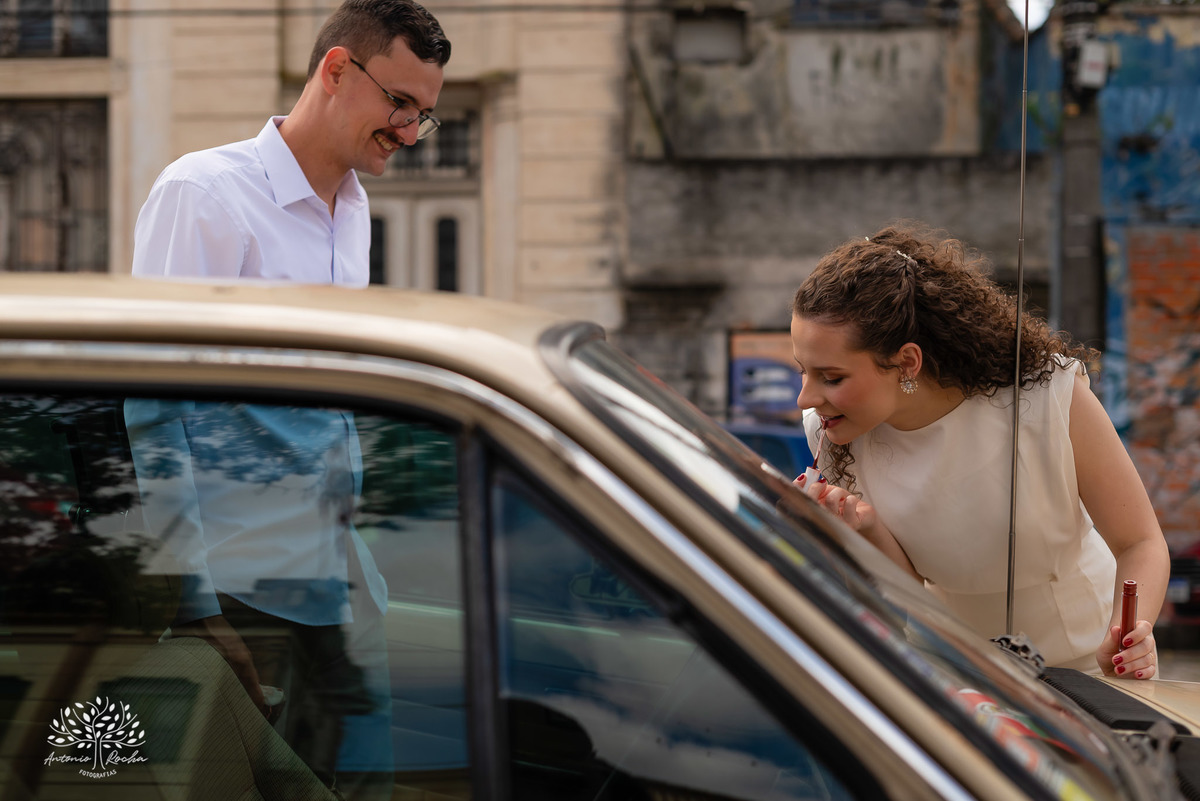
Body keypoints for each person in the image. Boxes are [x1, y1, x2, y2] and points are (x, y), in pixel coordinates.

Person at [125, 1, 452, 795]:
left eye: (426, 115)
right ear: (336, 69)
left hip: (337, 578)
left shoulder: (354, 210)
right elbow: (150, 405)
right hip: (241, 595)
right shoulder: (203, 194)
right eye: (399, 104)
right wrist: (197, 607)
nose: (410, 132)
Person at [790, 222, 1169, 677]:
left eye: (832, 377)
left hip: (1090, 664)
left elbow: (1141, 542)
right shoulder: (830, 432)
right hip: (953, 671)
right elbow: (909, 595)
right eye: (802, 371)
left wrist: (1131, 633)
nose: (806, 398)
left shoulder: (1047, 394)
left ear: (907, 362)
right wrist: (865, 534)